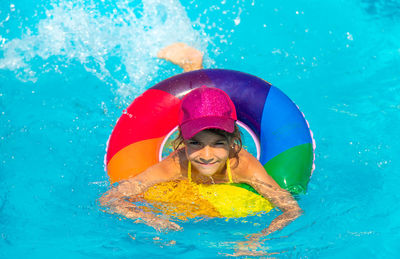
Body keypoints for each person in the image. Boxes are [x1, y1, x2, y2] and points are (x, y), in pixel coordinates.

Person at [99, 43, 302, 240]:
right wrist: (150, 219)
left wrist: (257, 239)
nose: (206, 155)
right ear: (183, 141)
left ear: (233, 142)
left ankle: (193, 65)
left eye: (218, 143)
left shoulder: (243, 165)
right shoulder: (176, 163)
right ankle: (191, 66)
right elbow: (110, 199)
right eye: (195, 143)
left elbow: (291, 210)